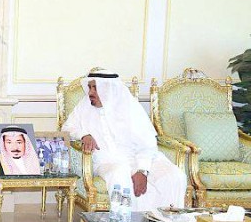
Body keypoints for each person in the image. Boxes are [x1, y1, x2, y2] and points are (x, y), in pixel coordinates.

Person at [62, 68, 187, 211]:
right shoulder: (84, 105)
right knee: (119, 175)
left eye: (95, 88)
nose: (90, 92)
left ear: (108, 89)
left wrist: (142, 170)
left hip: (140, 158)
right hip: (108, 162)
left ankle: (164, 221)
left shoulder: (130, 106)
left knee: (174, 176)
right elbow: (66, 128)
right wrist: (84, 134)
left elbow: (147, 143)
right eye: (89, 87)